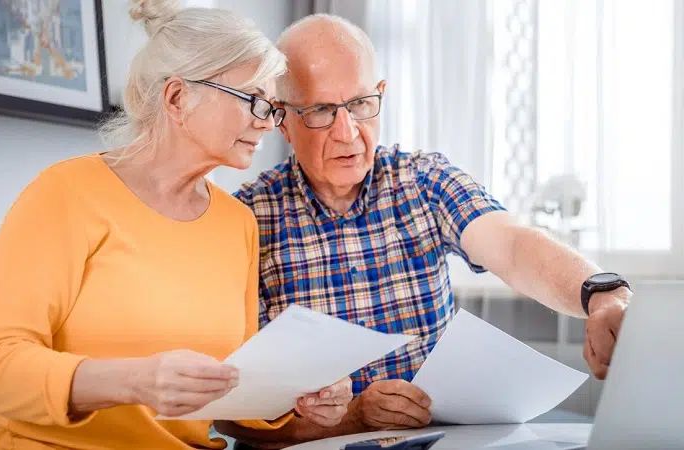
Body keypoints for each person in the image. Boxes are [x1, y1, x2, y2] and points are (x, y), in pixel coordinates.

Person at [220, 13, 632, 449]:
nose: (348, 134)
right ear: (282, 119)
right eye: (321, 110)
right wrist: (353, 418)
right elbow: (233, 416)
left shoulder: (422, 179)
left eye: (360, 104)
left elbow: (512, 245)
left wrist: (600, 291)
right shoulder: (247, 219)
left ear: (380, 95)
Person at [0, 3, 352, 449]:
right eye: (253, 101)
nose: (266, 123)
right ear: (176, 98)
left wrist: (299, 396)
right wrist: (135, 381)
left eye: (271, 107)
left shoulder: (237, 223)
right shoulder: (64, 193)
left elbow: (233, 385)